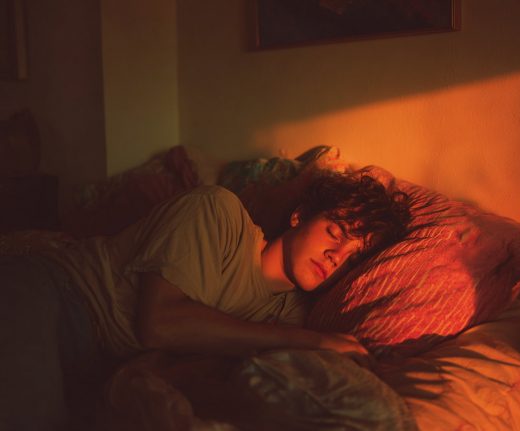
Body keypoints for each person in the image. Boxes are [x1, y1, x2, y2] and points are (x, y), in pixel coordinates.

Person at [0, 169, 410, 431]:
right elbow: (160, 325)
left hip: (98, 361)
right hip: (56, 293)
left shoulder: (289, 314)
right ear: (300, 215)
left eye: (352, 257)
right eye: (336, 232)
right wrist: (315, 341)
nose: (336, 256)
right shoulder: (218, 211)